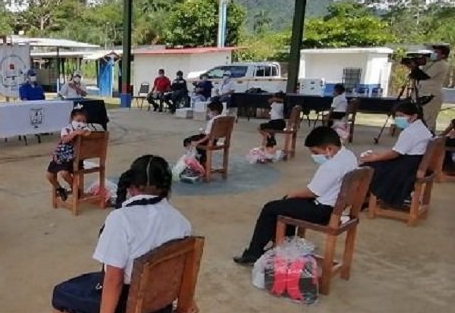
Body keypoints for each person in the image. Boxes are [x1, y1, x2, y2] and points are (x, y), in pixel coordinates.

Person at [50, 155, 191, 313]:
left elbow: (113, 279)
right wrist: (188, 300)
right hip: (160, 308)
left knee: (60, 293)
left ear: (132, 187)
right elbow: (180, 269)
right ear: (166, 187)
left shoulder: (121, 219)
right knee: (95, 282)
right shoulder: (180, 221)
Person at [234, 126, 358, 265]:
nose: (314, 156)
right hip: (336, 207)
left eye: (315, 152)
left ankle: (254, 253)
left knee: (271, 208)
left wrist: (291, 194)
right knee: (285, 206)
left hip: (323, 211)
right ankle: (286, 243)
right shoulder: (349, 156)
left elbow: (312, 192)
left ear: (329, 149)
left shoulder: (331, 166)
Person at [360, 102, 433, 208]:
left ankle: (366, 199)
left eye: (402, 116)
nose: (398, 119)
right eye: (397, 116)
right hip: (416, 162)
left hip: (407, 167)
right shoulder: (422, 127)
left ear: (414, 116)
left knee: (369, 167)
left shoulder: (409, 132)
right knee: (377, 162)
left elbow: (395, 153)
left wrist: (375, 157)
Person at [46, 108, 91, 201]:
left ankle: (74, 187)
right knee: (49, 175)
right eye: (78, 120)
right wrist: (74, 133)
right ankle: (60, 189)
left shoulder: (85, 129)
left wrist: (86, 132)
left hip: (74, 159)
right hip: (61, 157)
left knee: (64, 173)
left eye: (83, 121)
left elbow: (89, 135)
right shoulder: (66, 129)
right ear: (72, 120)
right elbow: (64, 140)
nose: (81, 123)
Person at [182, 100, 226, 166]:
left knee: (187, 140)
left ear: (214, 112)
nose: (207, 113)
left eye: (208, 111)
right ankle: (202, 160)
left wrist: (198, 142)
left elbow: (208, 136)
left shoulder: (213, 121)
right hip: (215, 140)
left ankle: (193, 158)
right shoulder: (224, 118)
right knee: (197, 138)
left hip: (208, 141)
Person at [419, 44, 449, 131]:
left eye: (437, 52)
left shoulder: (441, 64)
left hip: (432, 95)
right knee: (423, 117)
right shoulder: (433, 63)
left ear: (443, 55)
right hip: (424, 93)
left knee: (428, 120)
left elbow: (425, 75)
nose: (434, 54)